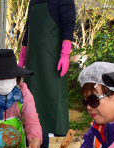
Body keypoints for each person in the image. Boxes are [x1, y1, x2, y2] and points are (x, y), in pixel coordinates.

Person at [19, 0, 75, 136]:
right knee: (30, 97)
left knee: (54, 97)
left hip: (52, 59)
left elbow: (68, 24)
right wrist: (23, 52)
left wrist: (65, 52)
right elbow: (28, 29)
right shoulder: (33, 2)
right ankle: (31, 136)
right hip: (33, 59)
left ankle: (57, 138)